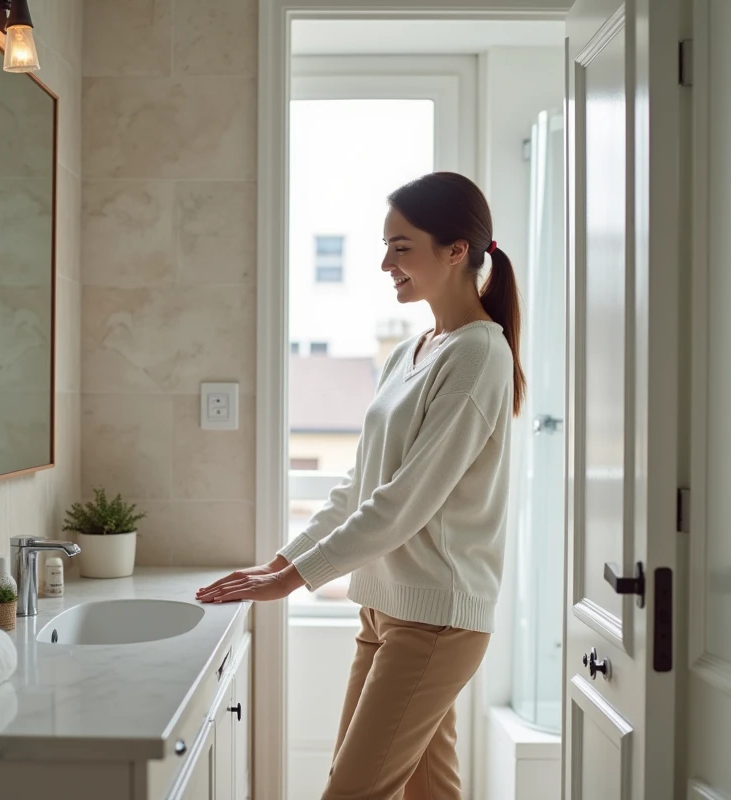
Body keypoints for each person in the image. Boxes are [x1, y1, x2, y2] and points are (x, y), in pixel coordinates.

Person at [197, 172, 524, 800]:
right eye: (385, 246)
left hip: (435, 618)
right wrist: (284, 562)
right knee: (428, 790)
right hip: (385, 606)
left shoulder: (479, 354)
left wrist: (292, 580)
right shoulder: (415, 351)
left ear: (456, 251)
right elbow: (360, 485)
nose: (384, 263)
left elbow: (405, 501)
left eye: (401, 247)